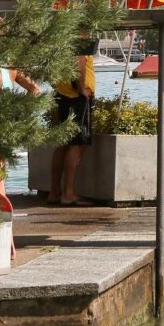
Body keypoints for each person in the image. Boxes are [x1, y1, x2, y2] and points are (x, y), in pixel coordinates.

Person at [47, 39, 98, 207]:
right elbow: (80, 61)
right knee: (76, 144)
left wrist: (58, 86)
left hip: (63, 96)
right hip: (77, 98)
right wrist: (81, 88)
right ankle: (68, 193)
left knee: (63, 143)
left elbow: (51, 67)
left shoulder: (61, 39)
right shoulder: (80, 38)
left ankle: (55, 191)